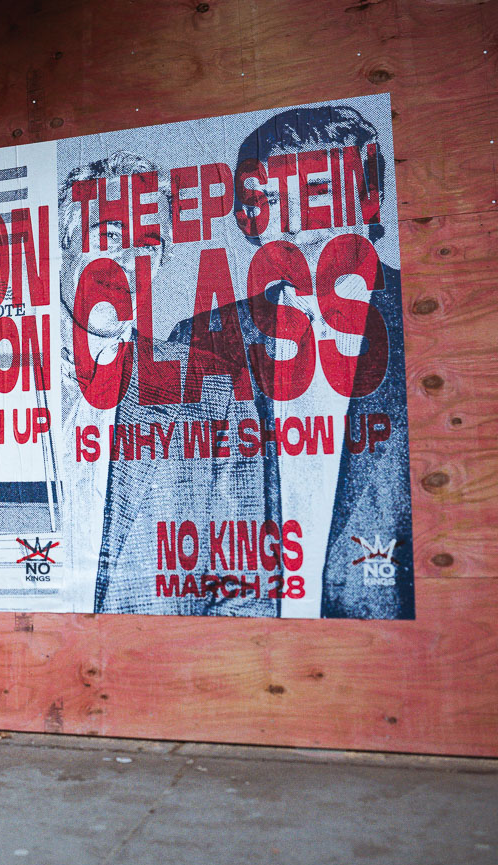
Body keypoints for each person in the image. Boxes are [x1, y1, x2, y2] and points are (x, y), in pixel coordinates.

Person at [168, 104, 413, 619]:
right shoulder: (199, 343)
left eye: (318, 191)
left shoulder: (426, 323)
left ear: (370, 199)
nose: (297, 223)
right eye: (273, 200)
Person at [57, 152, 269, 615]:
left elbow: (244, 593)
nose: (128, 264)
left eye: (148, 246)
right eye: (109, 237)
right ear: (64, 247)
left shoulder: (214, 389)